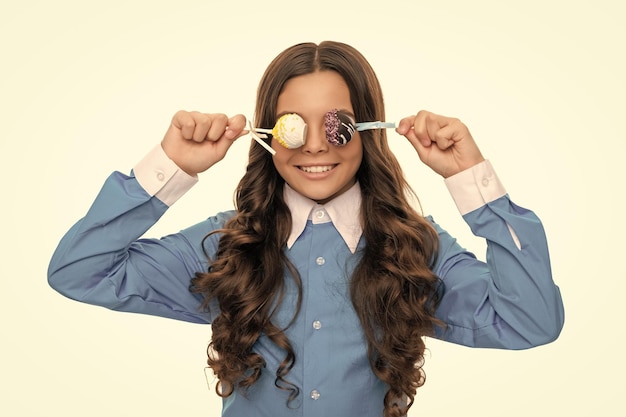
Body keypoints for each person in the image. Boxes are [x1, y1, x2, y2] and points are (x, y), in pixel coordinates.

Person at [47, 41, 564, 417]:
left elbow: (530, 321)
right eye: (294, 126)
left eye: (337, 125)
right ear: (269, 137)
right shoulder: (225, 247)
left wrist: (474, 181)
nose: (316, 146)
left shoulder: (414, 249)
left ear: (366, 133)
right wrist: (169, 166)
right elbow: (79, 270)